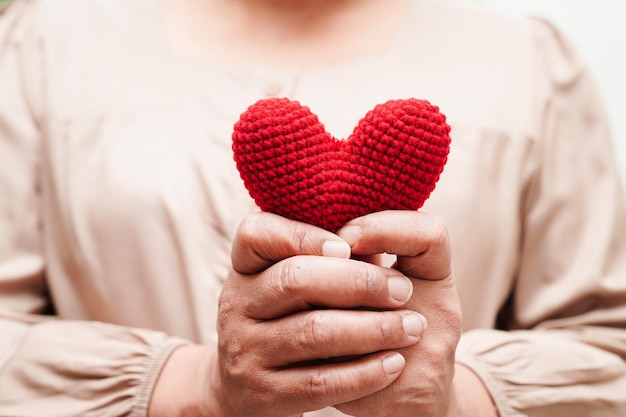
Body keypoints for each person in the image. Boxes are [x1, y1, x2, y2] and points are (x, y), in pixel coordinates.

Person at [1, 0, 625, 416]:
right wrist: (194, 389)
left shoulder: (528, 59)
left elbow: (608, 347)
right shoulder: (43, 45)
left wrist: (456, 394)